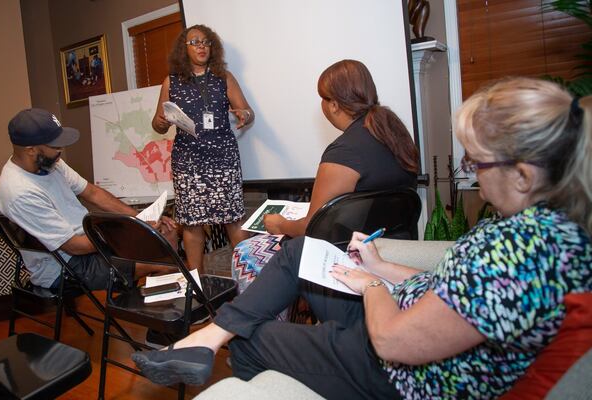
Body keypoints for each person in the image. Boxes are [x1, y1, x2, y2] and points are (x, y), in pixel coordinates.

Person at [132, 77, 591, 398]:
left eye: (476, 164)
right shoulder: (543, 227)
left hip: (403, 369)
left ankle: (223, 340)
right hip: (409, 309)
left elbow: (395, 342)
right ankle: (209, 337)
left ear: (524, 175)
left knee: (251, 340)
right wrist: (381, 268)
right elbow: (457, 287)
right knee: (298, 253)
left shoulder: (519, 252)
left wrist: (370, 285)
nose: (469, 175)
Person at [233, 59, 419, 294]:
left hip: (347, 255)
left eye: (323, 98)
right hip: (391, 248)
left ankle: (263, 328)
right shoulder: (396, 136)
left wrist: (279, 223)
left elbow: (313, 228)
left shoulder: (344, 152)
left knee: (247, 250)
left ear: (333, 105)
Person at [0, 108, 178, 292]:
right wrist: (131, 233)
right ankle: (161, 312)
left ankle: (155, 309)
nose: (61, 150)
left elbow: (92, 193)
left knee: (166, 234)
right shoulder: (19, 193)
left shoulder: (50, 163)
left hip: (89, 242)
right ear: (31, 150)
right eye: (55, 145)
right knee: (166, 265)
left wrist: (140, 219)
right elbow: (74, 247)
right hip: (67, 266)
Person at [152, 25, 254, 274]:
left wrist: (244, 115)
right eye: (195, 42)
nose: (201, 46)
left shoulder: (224, 78)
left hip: (223, 159)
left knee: (233, 218)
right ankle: (195, 282)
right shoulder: (171, 82)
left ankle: (249, 277)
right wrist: (162, 122)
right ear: (183, 49)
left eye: (206, 42)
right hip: (188, 162)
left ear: (213, 48)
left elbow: (248, 112)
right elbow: (157, 123)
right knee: (191, 223)